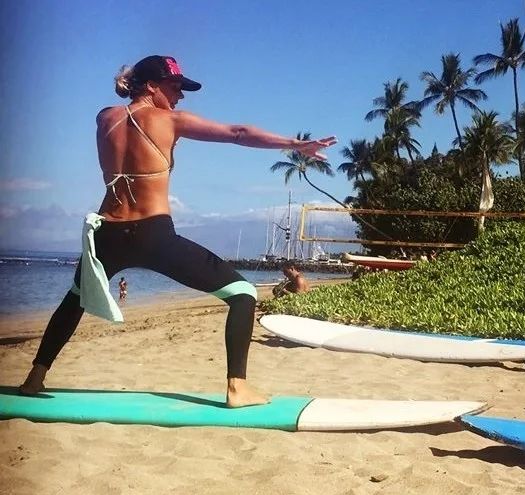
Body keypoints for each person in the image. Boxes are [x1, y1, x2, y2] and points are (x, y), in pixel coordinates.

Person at [18, 55, 336, 408]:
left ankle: (35, 378)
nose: (181, 96)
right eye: (175, 87)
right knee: (243, 293)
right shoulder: (170, 121)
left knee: (75, 298)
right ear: (151, 85)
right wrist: (295, 144)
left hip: (106, 234)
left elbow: (128, 127)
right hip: (153, 234)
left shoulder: (104, 117)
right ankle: (237, 388)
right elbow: (238, 134)